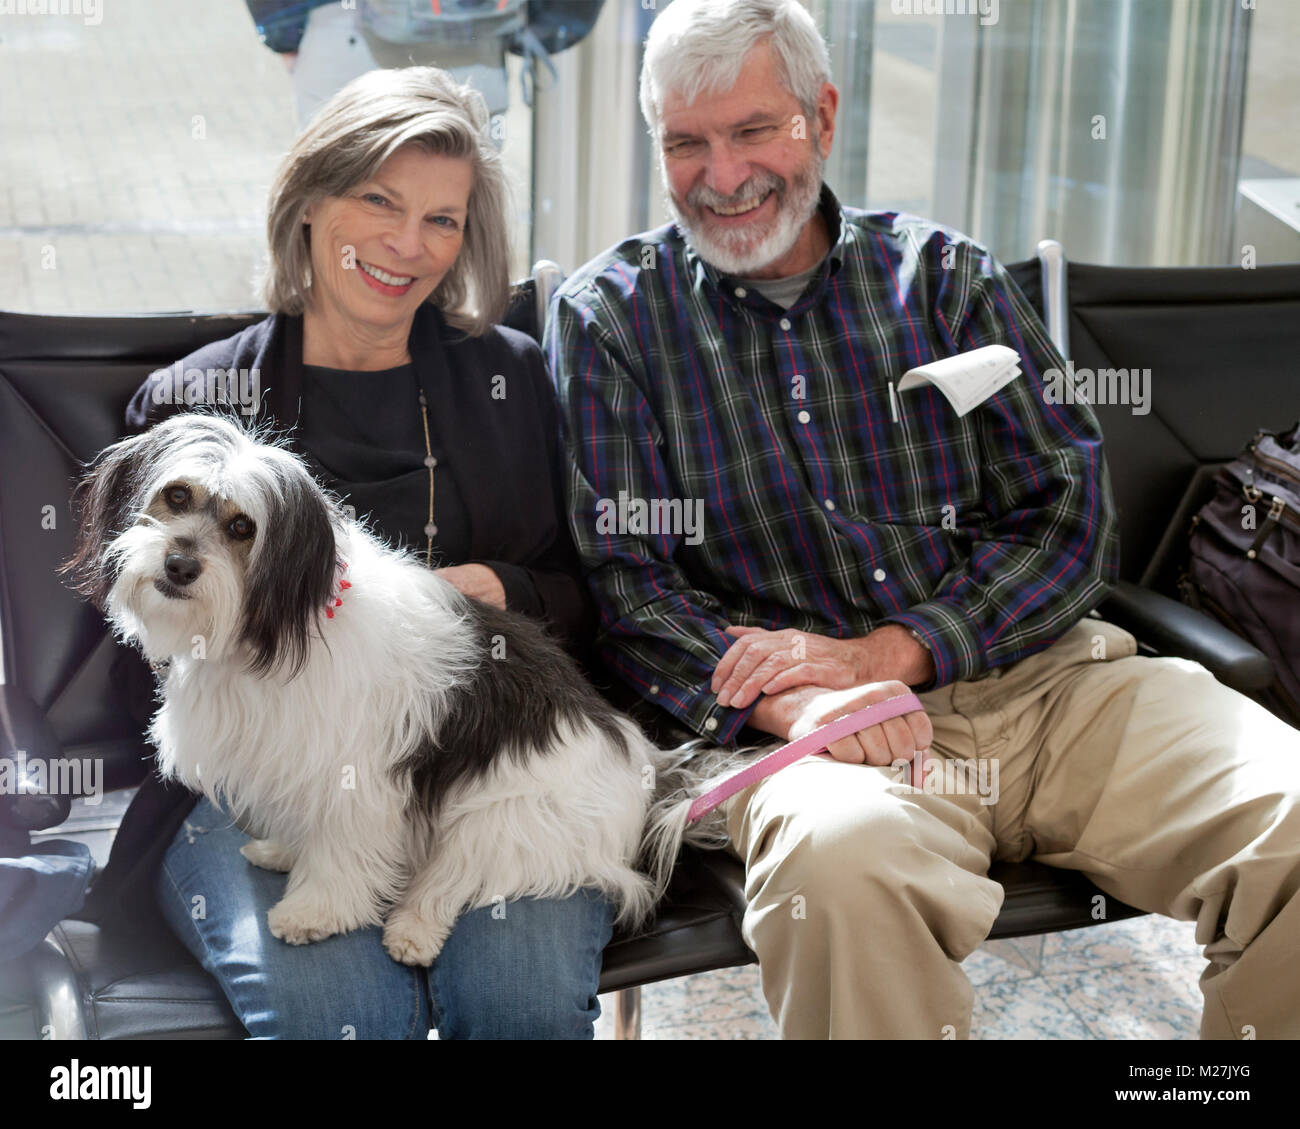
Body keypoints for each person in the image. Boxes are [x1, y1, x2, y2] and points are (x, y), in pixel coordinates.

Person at [545, 0, 1300, 1039]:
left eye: (754, 129)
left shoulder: (945, 277)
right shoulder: (612, 319)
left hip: (1047, 683)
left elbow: (1068, 516)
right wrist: (806, 709)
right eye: (686, 142)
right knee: (842, 868)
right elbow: (628, 587)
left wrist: (891, 655)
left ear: (822, 113)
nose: (721, 176)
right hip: (806, 737)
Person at [82, 66, 611, 1040]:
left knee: (520, 1001)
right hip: (247, 786)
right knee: (341, 1011)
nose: (408, 245)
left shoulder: (511, 380)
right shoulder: (197, 405)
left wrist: (505, 588)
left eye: (442, 220)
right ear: (312, 199)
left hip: (477, 771)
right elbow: (123, 653)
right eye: (379, 200)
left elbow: (587, 597)